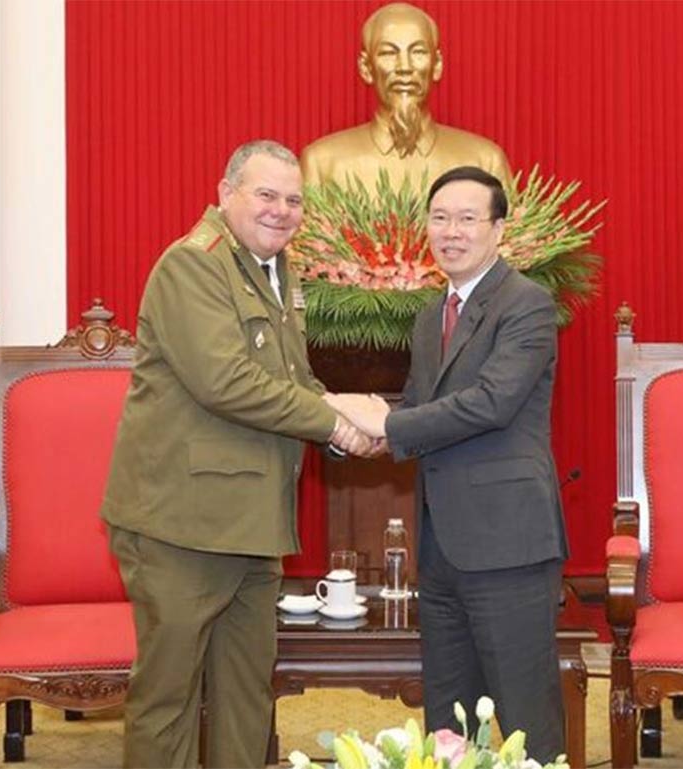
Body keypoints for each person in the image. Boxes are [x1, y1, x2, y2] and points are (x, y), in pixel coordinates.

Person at [100, 140, 369, 768]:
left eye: (294, 200)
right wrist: (335, 420)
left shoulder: (276, 268)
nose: (282, 211)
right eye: (266, 194)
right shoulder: (192, 266)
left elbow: (291, 377)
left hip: (253, 519)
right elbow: (226, 382)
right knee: (169, 698)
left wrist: (344, 420)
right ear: (226, 194)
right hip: (183, 524)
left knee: (246, 696)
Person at [327, 166, 568, 763]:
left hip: (509, 546)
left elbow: (491, 402)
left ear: (498, 229)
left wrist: (384, 423)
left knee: (524, 719)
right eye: (439, 218)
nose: (450, 232)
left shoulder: (527, 305)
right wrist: (353, 434)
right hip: (441, 550)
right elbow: (422, 411)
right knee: (448, 720)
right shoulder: (431, 315)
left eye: (466, 219)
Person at [300, 2, 510, 193]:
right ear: (366, 68)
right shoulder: (322, 164)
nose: (404, 67)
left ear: (437, 65)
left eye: (418, 52)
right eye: (388, 53)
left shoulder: (485, 161)